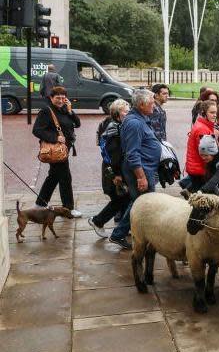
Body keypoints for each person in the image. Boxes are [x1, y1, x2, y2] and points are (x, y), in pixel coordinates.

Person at [109, 89, 161, 249]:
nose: (155, 105)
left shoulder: (139, 119)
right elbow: (132, 154)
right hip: (140, 170)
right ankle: (118, 234)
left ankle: (141, 234)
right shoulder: (134, 123)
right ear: (141, 104)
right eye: (152, 103)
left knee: (141, 202)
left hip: (146, 168)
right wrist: (141, 177)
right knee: (141, 204)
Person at [32, 86, 81, 217]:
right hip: (55, 150)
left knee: (53, 177)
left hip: (64, 149)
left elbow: (77, 124)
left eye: (62, 98)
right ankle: (68, 209)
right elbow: (37, 130)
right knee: (65, 177)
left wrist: (70, 111)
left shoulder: (65, 109)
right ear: (51, 98)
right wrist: (55, 137)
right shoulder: (46, 111)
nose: (60, 100)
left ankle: (40, 204)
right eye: (57, 98)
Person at [88, 99, 131, 238]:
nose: (128, 113)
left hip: (113, 169)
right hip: (112, 171)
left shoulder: (116, 125)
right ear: (118, 113)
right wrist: (117, 174)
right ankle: (98, 221)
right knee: (119, 200)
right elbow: (114, 154)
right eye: (126, 111)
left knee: (123, 199)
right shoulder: (114, 128)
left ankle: (125, 228)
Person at [185, 100, 217, 192]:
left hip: (196, 168)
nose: (214, 115)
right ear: (203, 113)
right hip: (200, 170)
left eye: (215, 112)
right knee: (204, 200)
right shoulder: (202, 129)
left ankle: (188, 190)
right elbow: (207, 156)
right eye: (211, 112)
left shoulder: (201, 125)